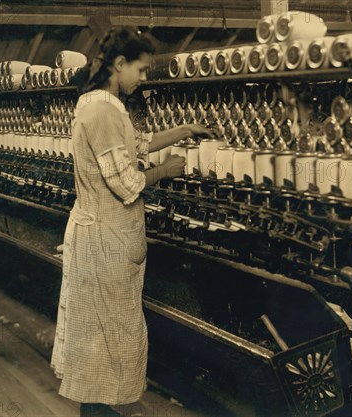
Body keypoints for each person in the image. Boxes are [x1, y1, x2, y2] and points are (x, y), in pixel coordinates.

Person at [50, 27, 214, 417]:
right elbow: (127, 181)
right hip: (105, 239)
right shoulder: (103, 111)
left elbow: (137, 144)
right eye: (140, 70)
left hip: (102, 235)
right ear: (118, 64)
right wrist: (168, 170)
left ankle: (97, 410)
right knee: (107, 337)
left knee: (100, 336)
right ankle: (97, 412)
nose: (143, 79)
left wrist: (185, 130)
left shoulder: (100, 105)